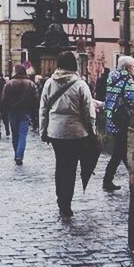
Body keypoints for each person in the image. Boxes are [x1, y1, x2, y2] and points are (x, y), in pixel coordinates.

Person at [39, 51, 97, 217]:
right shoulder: (80, 85)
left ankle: (60, 199)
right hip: (75, 132)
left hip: (56, 131)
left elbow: (43, 109)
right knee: (70, 168)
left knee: (60, 165)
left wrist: (43, 130)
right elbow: (88, 112)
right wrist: (92, 131)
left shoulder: (49, 83)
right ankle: (67, 204)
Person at [102, 55, 134, 191]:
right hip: (122, 119)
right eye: (133, 66)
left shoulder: (112, 76)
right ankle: (108, 180)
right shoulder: (128, 79)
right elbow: (131, 99)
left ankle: (130, 176)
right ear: (128, 67)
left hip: (112, 117)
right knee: (119, 151)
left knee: (121, 150)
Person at [2, 64, 38, 165]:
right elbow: (36, 99)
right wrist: (32, 111)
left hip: (12, 112)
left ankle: (16, 153)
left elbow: (4, 99)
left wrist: (7, 110)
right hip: (25, 112)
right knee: (22, 135)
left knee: (15, 134)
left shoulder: (9, 84)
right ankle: (19, 155)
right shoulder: (30, 84)